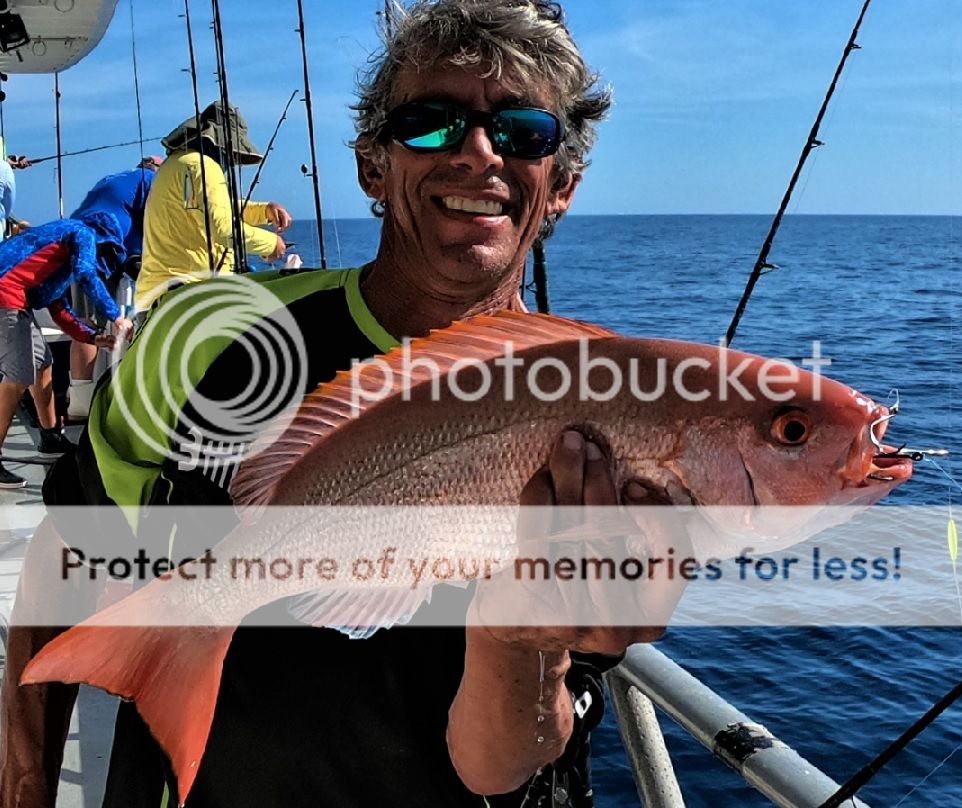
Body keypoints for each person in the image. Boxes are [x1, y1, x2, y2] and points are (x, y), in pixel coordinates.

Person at [0, 2, 669, 805]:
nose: (477, 151)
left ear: (562, 185)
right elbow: (73, 549)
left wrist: (531, 640)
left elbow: (497, 764)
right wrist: (26, 785)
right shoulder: (207, 335)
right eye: (429, 122)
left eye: (525, 132)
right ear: (370, 168)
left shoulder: (610, 409)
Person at [0, 211, 132, 488]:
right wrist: (116, 316)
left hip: (15, 297)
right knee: (18, 376)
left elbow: (59, 310)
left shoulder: (58, 255)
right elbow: (86, 273)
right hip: (5, 293)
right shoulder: (81, 232)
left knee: (42, 362)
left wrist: (94, 338)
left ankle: (50, 437)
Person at [134, 102, 292, 311]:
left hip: (158, 298)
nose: (233, 161)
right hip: (189, 297)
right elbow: (223, 228)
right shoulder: (203, 167)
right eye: (234, 153)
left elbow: (205, 209)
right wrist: (271, 243)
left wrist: (263, 211)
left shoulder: (179, 163)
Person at [65, 156, 161, 420]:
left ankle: (80, 402)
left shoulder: (113, 180)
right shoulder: (150, 181)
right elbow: (153, 229)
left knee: (84, 324)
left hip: (74, 243)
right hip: (101, 249)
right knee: (103, 323)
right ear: (157, 169)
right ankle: (124, 395)